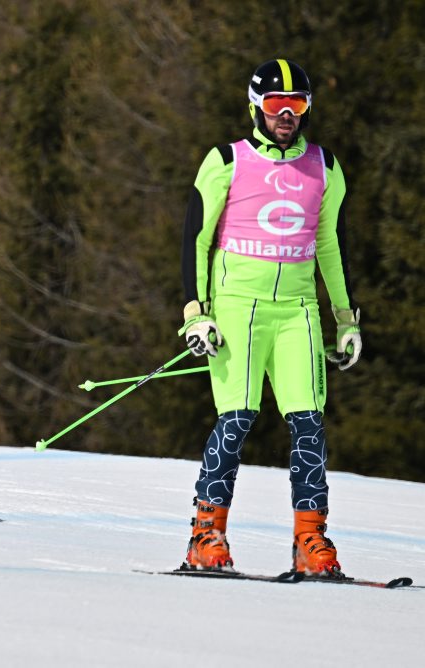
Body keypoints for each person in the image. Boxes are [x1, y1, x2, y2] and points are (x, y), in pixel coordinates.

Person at [179, 59, 361, 576]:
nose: (287, 115)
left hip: (298, 312)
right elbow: (195, 237)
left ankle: (311, 542)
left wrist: (345, 318)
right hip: (238, 307)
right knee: (236, 420)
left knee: (308, 425)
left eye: (298, 104)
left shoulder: (324, 166)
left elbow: (331, 245)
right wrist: (196, 313)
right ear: (255, 105)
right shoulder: (226, 160)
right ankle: (205, 535)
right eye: (277, 105)